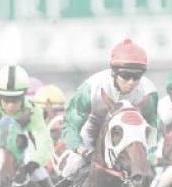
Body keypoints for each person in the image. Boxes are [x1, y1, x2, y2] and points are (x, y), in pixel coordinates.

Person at [58, 38, 158, 177]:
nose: (131, 82)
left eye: (137, 76)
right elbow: (69, 125)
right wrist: (81, 150)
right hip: (91, 141)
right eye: (126, 75)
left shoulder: (148, 92)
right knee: (70, 169)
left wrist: (150, 154)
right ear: (114, 72)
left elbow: (153, 125)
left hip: (132, 145)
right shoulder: (91, 89)